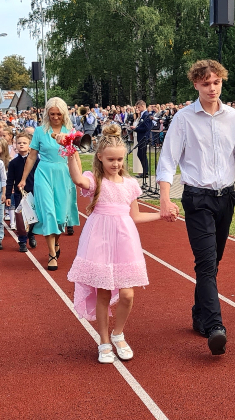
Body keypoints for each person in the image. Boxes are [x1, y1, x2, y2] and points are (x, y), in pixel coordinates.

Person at [156, 59, 235, 356]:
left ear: (222, 82)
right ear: (196, 84)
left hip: (225, 198)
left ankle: (199, 313)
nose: (212, 88)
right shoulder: (183, 119)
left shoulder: (233, 118)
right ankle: (216, 327)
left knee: (212, 263)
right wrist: (165, 198)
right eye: (205, 83)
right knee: (205, 264)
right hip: (196, 199)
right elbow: (167, 160)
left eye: (216, 82)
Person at [66, 124, 162, 363]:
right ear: (100, 157)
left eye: (120, 159)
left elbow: (136, 216)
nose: (116, 163)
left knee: (127, 294)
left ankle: (118, 333)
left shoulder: (130, 184)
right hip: (99, 238)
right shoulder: (95, 180)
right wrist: (70, 151)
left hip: (124, 239)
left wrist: (162, 214)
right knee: (104, 292)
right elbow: (77, 178)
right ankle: (104, 340)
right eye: (111, 159)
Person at [17, 97, 80, 271]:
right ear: (47, 113)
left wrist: (80, 179)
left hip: (63, 174)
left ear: (64, 113)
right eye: (52, 114)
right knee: (48, 212)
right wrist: (23, 179)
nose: (55, 117)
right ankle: (52, 253)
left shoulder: (70, 131)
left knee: (60, 216)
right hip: (43, 173)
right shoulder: (39, 131)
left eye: (58, 114)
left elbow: (75, 156)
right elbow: (31, 156)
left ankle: (56, 243)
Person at [132, 101, 152, 178]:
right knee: (140, 154)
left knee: (142, 154)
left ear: (143, 106)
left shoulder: (146, 115)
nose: (138, 109)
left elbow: (147, 128)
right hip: (141, 137)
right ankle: (145, 171)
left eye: (139, 107)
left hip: (144, 137)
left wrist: (136, 128)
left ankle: (145, 172)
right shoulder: (143, 115)